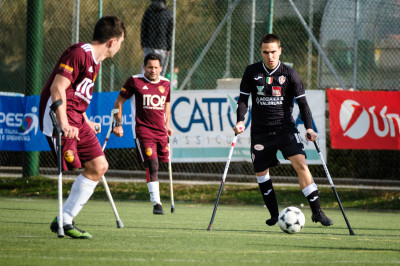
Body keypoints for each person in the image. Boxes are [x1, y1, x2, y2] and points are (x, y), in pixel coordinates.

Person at [233, 34, 333, 227]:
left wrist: (309, 127)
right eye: (265, 52)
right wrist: (240, 121)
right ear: (261, 52)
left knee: (301, 165)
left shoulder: (289, 74)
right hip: (261, 132)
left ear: (279, 51)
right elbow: (243, 100)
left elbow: (303, 104)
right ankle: (273, 214)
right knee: (262, 173)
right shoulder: (252, 72)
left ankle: (317, 212)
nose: (270, 56)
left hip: (285, 129)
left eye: (273, 52)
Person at [39, 16, 126, 239]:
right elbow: (58, 89)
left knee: (99, 166)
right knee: (73, 162)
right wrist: (64, 123)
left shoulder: (95, 62)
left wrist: (85, 120)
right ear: (112, 42)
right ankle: (64, 220)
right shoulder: (79, 53)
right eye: (121, 43)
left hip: (77, 117)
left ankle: (64, 219)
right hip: (58, 116)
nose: (120, 48)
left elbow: (76, 93)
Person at [113, 53, 173, 215]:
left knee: (162, 163)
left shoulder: (166, 83)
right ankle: (157, 203)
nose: (153, 70)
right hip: (143, 131)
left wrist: (168, 124)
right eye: (150, 67)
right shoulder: (134, 81)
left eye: (156, 67)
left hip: (161, 132)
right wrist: (117, 124)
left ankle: (159, 200)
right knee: (152, 164)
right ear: (144, 67)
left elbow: (167, 105)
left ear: (161, 68)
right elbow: (118, 102)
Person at [141, 0, 173, 76]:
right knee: (160, 72)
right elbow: (169, 32)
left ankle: (143, 87)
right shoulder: (168, 14)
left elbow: (143, 30)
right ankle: (158, 87)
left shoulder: (148, 12)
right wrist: (169, 47)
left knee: (146, 70)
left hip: (148, 45)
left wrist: (143, 44)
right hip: (162, 46)